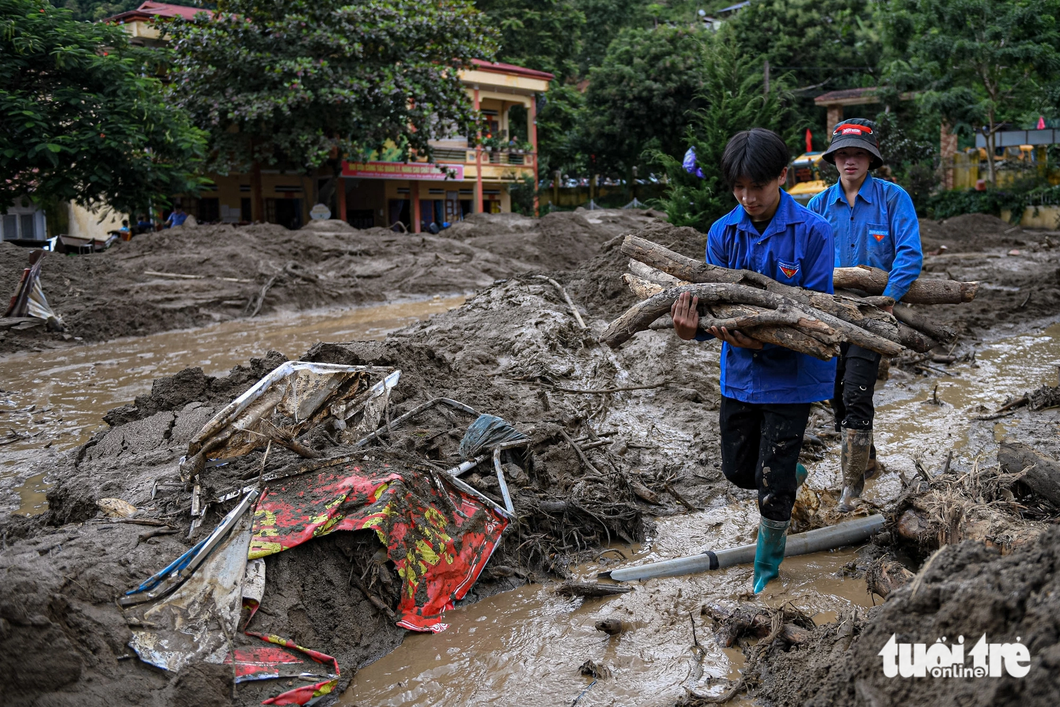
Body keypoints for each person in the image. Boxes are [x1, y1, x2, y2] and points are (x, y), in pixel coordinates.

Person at [672, 128, 836, 594]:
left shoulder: (813, 233)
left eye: (757, 187)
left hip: (792, 376)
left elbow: (815, 312)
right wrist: (693, 330)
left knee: (772, 486)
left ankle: (767, 570)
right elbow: (713, 312)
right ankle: (789, 475)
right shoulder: (723, 232)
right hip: (740, 375)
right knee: (740, 471)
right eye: (737, 188)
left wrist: (764, 342)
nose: (747, 197)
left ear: (781, 177)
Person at [807, 119, 923, 512]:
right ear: (834, 159)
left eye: (857, 153)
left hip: (873, 314)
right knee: (836, 392)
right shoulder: (818, 205)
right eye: (843, 153)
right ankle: (868, 459)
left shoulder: (893, 199)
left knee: (856, 392)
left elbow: (909, 254)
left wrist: (888, 299)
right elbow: (806, 259)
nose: (850, 160)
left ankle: (851, 490)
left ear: (870, 158)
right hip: (829, 311)